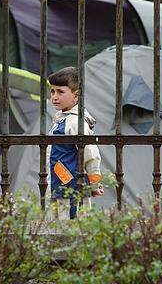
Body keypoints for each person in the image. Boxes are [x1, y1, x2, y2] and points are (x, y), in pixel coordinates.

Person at [47, 67, 103, 220]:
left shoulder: (75, 121)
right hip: (59, 182)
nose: (55, 97)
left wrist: (94, 183)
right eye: (52, 91)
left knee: (72, 223)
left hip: (71, 184)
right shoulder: (61, 119)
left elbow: (91, 154)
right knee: (56, 222)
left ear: (76, 96)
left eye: (60, 92)